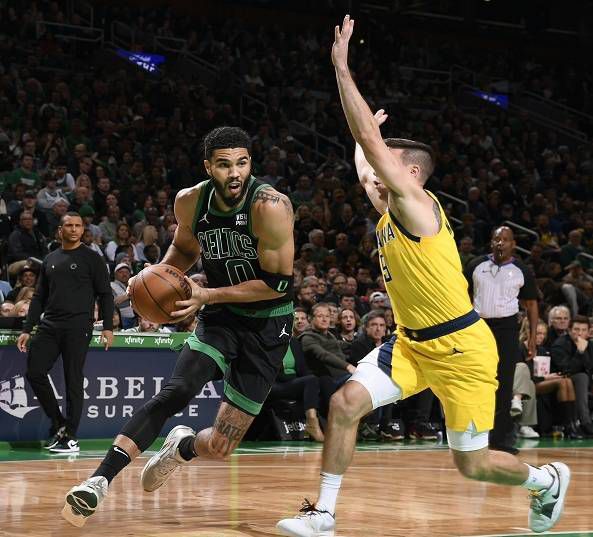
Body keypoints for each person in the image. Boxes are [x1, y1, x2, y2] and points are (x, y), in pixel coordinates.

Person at [277, 16, 570, 536]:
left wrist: (343, 69)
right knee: (345, 403)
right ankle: (322, 513)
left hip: (462, 349)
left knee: (473, 464)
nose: (376, 169)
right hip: (411, 345)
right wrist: (365, 145)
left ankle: (545, 480)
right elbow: (365, 162)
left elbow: (367, 141)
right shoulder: (390, 206)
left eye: (387, 162)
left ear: (410, 173)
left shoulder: (416, 206)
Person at [62, 126, 295, 527]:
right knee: (178, 390)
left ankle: (182, 447)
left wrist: (207, 294)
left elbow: (276, 285)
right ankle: (98, 481)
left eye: (242, 162)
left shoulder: (270, 206)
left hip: (268, 325)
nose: (235, 172)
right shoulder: (190, 201)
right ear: (208, 166)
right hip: (220, 320)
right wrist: (155, 275)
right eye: (224, 165)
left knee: (221, 446)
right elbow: (185, 250)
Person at [16, 212, 114, 453]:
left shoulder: (92, 258)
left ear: (83, 230)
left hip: (78, 327)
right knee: (34, 372)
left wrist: (109, 327)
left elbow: (106, 294)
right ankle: (59, 423)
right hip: (49, 325)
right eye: (68, 225)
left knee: (73, 380)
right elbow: (39, 297)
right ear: (60, 230)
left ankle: (70, 436)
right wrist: (28, 329)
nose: (73, 229)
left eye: (78, 225)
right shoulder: (50, 258)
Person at [465, 227, 539, 454]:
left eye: (505, 240)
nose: (500, 243)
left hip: (507, 327)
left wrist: (533, 337)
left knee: (504, 382)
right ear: (491, 242)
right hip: (478, 326)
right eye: (497, 238)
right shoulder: (476, 265)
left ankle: (500, 438)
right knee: (476, 379)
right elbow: (462, 294)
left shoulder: (521, 270)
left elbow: (532, 305)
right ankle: (472, 434)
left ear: (513, 244)